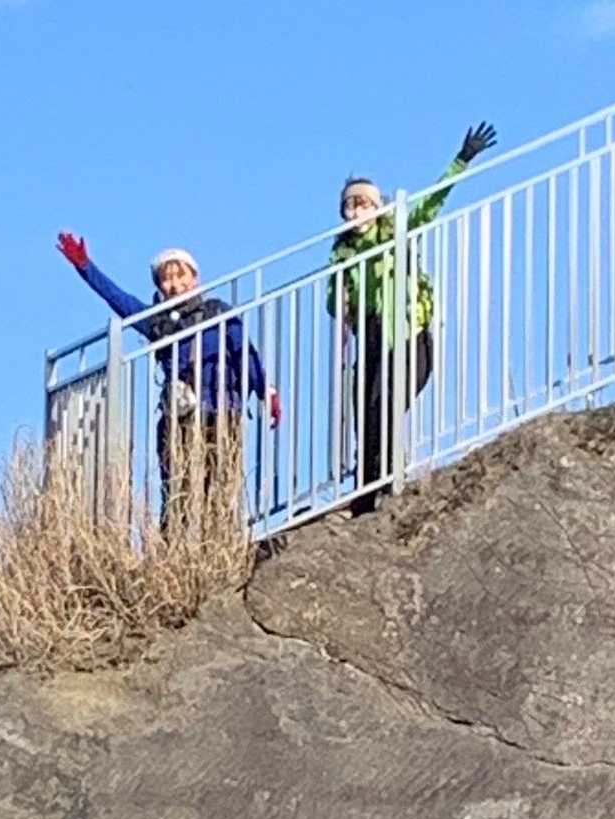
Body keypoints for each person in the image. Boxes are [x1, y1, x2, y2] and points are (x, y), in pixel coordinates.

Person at [327, 122, 498, 514]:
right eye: (350, 205)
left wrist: (461, 159)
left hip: (407, 334)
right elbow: (333, 305)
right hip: (372, 337)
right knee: (366, 411)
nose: (356, 211)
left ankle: (387, 478)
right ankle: (368, 491)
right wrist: (341, 294)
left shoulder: (396, 230)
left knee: (386, 403)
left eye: (363, 204)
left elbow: (431, 204)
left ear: (378, 206)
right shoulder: (342, 254)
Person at [56, 233, 278, 528]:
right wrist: (85, 267)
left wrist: (266, 391)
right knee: (176, 487)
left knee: (220, 485)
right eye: (166, 279)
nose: (174, 285)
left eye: (180, 276)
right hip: (180, 414)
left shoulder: (217, 311)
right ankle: (173, 547)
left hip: (222, 410)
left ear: (195, 279)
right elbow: (120, 300)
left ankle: (218, 544)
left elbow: (244, 353)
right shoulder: (158, 323)